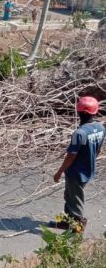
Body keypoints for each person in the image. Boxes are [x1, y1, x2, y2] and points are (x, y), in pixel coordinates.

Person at [52, 96, 104, 231]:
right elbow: (98, 149)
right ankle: (66, 222)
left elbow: (71, 156)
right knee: (70, 196)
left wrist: (59, 172)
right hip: (89, 169)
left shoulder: (79, 133)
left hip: (76, 172)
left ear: (79, 112)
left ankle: (78, 227)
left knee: (75, 200)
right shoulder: (100, 128)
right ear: (95, 112)